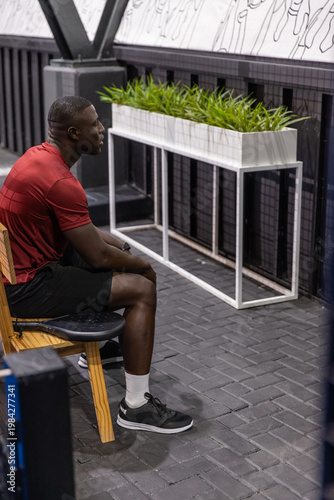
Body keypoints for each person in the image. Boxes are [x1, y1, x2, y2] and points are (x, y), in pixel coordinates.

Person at [0, 95, 193, 434]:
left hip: (20, 270)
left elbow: (84, 232)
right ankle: (136, 406)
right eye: (95, 124)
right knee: (141, 289)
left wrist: (122, 246)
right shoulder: (61, 181)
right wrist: (141, 265)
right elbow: (98, 257)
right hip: (27, 288)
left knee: (118, 260)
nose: (102, 130)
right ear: (75, 133)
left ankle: (101, 353)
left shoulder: (38, 157)